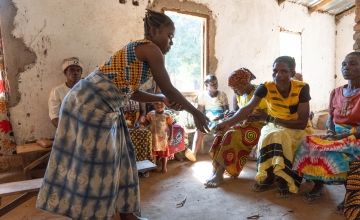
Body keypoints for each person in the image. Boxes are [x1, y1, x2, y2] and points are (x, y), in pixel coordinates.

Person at [36, 10, 209, 220]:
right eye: (170, 35)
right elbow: (170, 88)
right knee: (97, 166)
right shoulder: (150, 49)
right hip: (88, 106)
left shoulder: (141, 53)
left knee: (124, 159)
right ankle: (91, 215)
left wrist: (159, 98)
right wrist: (196, 112)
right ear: (154, 31)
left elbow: (131, 92)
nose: (171, 42)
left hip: (105, 108)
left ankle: (128, 214)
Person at [215, 56, 310, 198]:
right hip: (273, 125)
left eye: (284, 71)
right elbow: (247, 109)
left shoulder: (302, 88)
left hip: (295, 127)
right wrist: (228, 123)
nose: (278, 75)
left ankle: (285, 178)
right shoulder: (265, 87)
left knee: (279, 135)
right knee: (271, 134)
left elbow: (302, 122)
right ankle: (270, 175)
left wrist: (269, 118)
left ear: (292, 72)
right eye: (275, 71)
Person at [293, 52, 360, 219]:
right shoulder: (336, 92)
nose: (346, 67)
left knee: (341, 154)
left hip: (356, 136)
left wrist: (344, 136)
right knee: (308, 144)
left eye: (352, 63)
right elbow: (331, 117)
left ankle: (350, 195)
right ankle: (318, 183)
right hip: (337, 134)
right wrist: (330, 132)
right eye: (344, 63)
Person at [204, 68, 267, 188]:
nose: (234, 91)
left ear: (245, 83)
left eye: (236, 88)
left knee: (232, 135)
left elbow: (266, 115)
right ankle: (216, 169)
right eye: (232, 88)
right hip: (244, 125)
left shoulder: (259, 92)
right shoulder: (239, 94)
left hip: (260, 126)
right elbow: (237, 112)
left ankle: (219, 174)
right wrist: (230, 115)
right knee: (222, 132)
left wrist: (252, 116)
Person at [185, 75, 229, 162]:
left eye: (216, 83)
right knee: (199, 129)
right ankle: (194, 153)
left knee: (221, 129)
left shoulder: (222, 94)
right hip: (208, 117)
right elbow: (200, 112)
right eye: (212, 84)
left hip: (220, 116)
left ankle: (219, 154)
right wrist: (202, 120)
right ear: (206, 85)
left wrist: (220, 116)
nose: (215, 85)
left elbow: (227, 111)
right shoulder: (202, 96)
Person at [48, 57, 83, 127]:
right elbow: (54, 117)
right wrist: (66, 132)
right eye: (71, 70)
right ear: (65, 73)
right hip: (66, 131)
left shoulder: (88, 89)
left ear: (81, 73)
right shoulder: (57, 91)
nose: (75, 73)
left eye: (78, 70)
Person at [145, 101, 174, 173]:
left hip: (163, 138)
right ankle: (154, 166)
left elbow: (171, 126)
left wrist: (171, 136)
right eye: (156, 103)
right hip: (153, 138)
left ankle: (164, 167)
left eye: (161, 103)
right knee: (153, 153)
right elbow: (147, 123)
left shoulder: (167, 115)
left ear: (165, 104)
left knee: (164, 153)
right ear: (153, 104)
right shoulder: (150, 114)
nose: (159, 105)